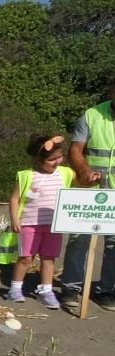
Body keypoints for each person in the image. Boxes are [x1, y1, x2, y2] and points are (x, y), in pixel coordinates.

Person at [61, 84, 115, 309]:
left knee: (113, 243)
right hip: (91, 189)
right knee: (79, 238)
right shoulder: (92, 115)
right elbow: (75, 149)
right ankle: (71, 288)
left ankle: (107, 290)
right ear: (112, 91)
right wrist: (83, 170)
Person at [7, 137, 73, 308]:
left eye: (59, 157)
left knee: (49, 258)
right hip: (29, 223)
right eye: (52, 159)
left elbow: (80, 184)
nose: (57, 161)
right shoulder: (26, 175)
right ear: (38, 160)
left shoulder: (65, 173)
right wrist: (14, 218)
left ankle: (46, 290)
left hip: (54, 224)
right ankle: (15, 288)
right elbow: (14, 198)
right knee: (26, 258)